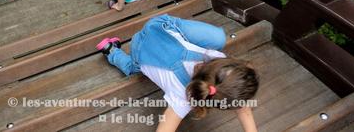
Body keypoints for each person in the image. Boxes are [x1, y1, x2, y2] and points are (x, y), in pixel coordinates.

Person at [96, 14, 259, 132]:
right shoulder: (183, 98)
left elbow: (231, 87)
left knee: (217, 39)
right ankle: (110, 51)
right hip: (138, 50)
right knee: (132, 68)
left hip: (159, 26)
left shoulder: (216, 57)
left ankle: (113, 49)